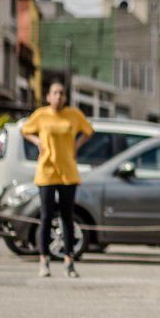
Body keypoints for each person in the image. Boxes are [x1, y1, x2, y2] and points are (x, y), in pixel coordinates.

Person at [21, 81, 94, 279]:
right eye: (55, 93)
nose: (58, 97)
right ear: (48, 96)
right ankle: (44, 259)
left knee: (67, 217)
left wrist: (76, 146)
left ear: (66, 97)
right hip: (46, 171)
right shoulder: (41, 115)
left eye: (61, 93)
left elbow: (89, 131)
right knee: (45, 216)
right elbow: (25, 130)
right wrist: (37, 141)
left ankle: (69, 260)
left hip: (68, 172)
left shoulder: (74, 115)